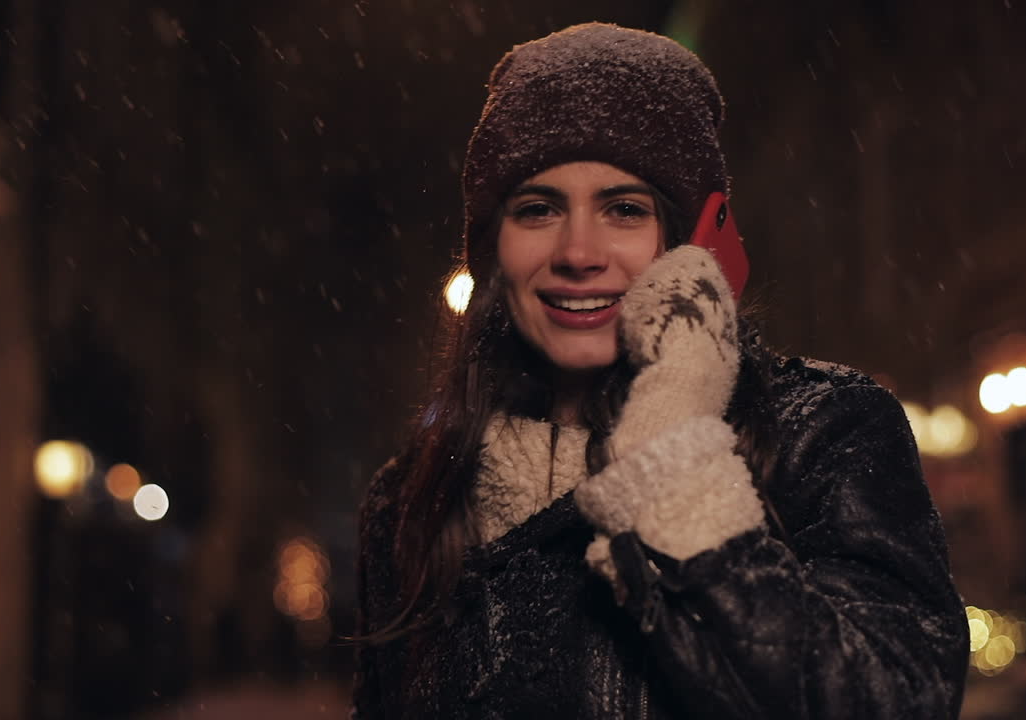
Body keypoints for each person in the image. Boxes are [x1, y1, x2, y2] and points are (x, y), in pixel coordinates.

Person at [353, 22, 969, 719]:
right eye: (537, 209)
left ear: (694, 241)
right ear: (493, 255)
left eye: (623, 209)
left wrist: (673, 462)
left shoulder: (824, 435)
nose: (578, 251)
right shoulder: (409, 501)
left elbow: (897, 702)